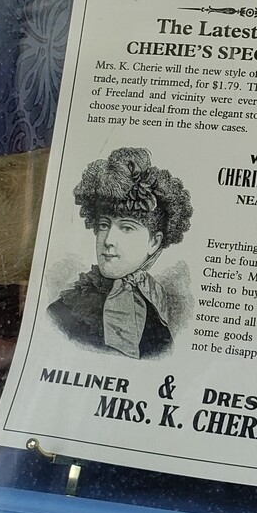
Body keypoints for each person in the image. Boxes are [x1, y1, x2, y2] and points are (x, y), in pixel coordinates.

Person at [47, 147, 192, 359]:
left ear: (154, 242)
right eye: (104, 225)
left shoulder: (155, 302)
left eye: (126, 228)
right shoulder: (63, 313)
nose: (108, 241)